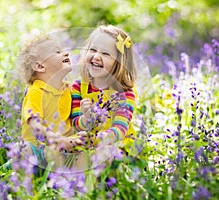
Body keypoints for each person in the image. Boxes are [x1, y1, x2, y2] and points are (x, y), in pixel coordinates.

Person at [18, 33, 85, 169]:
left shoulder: (70, 89)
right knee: (23, 149)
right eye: (57, 52)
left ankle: (80, 186)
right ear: (40, 66)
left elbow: (75, 119)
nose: (65, 53)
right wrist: (56, 140)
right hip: (38, 151)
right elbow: (35, 125)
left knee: (85, 153)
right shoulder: (36, 92)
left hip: (65, 148)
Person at [71, 25, 136, 155]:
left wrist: (96, 140)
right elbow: (75, 125)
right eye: (93, 49)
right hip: (86, 143)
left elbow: (120, 130)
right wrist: (86, 118)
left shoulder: (124, 93)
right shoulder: (78, 87)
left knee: (105, 154)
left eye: (105, 54)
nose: (96, 57)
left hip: (116, 148)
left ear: (119, 63)